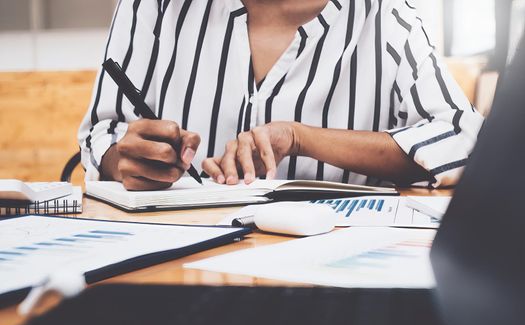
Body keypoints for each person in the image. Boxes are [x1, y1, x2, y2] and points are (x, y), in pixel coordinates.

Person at [78, 0, 483, 191]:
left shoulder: (387, 17)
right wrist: (124, 160)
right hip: (169, 272)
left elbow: (461, 139)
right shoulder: (156, 7)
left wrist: (300, 137)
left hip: (329, 286)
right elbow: (102, 132)